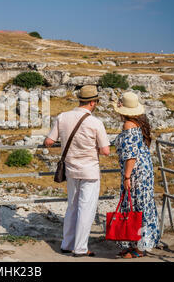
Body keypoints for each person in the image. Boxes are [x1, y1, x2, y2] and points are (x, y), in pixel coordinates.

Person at [44, 85, 110, 257]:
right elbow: (105, 151)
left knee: (72, 206)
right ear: (93, 103)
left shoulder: (62, 117)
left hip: (70, 169)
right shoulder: (96, 122)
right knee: (86, 209)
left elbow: (49, 141)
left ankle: (67, 243)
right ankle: (80, 248)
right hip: (89, 171)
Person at [112, 91, 160, 259]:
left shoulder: (128, 125)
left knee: (136, 206)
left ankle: (139, 248)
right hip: (143, 170)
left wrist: (126, 176)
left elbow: (130, 154)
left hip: (135, 172)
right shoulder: (137, 123)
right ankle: (135, 244)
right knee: (139, 205)